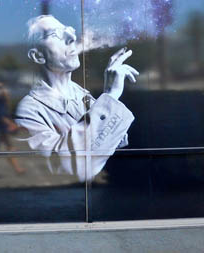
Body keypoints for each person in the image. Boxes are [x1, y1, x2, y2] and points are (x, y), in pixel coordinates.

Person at [15, 15, 138, 182]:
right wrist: (110, 96)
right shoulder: (28, 112)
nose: (72, 38)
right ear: (38, 56)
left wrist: (107, 100)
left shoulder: (82, 95)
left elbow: (115, 144)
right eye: (54, 35)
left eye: (68, 31)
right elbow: (70, 169)